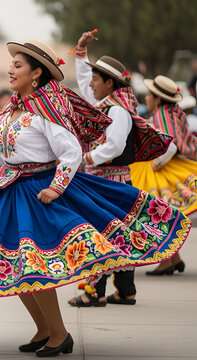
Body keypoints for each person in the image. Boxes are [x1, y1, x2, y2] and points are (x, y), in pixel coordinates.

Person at [0, 40, 189, 357]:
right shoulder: (9, 109)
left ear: (36, 74)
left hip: (38, 192)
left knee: (35, 268)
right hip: (8, 190)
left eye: (17, 65)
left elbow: (71, 153)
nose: (10, 69)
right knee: (15, 268)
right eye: (12, 65)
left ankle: (59, 334)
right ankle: (43, 329)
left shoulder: (45, 111)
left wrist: (57, 187)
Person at [67, 31, 172, 307]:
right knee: (121, 233)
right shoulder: (110, 106)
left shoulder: (118, 112)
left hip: (110, 181)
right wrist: (81, 52)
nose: (91, 84)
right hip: (111, 181)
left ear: (109, 83)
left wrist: (86, 159)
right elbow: (83, 85)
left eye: (96, 79)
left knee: (100, 231)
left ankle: (94, 293)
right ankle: (125, 291)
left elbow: (113, 147)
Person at [129, 75, 197, 276]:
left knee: (155, 214)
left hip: (160, 169)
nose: (147, 98)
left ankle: (167, 262)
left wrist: (156, 164)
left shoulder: (161, 115)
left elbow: (171, 145)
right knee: (159, 213)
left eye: (150, 95)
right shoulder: (170, 112)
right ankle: (174, 259)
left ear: (157, 99)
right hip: (168, 165)